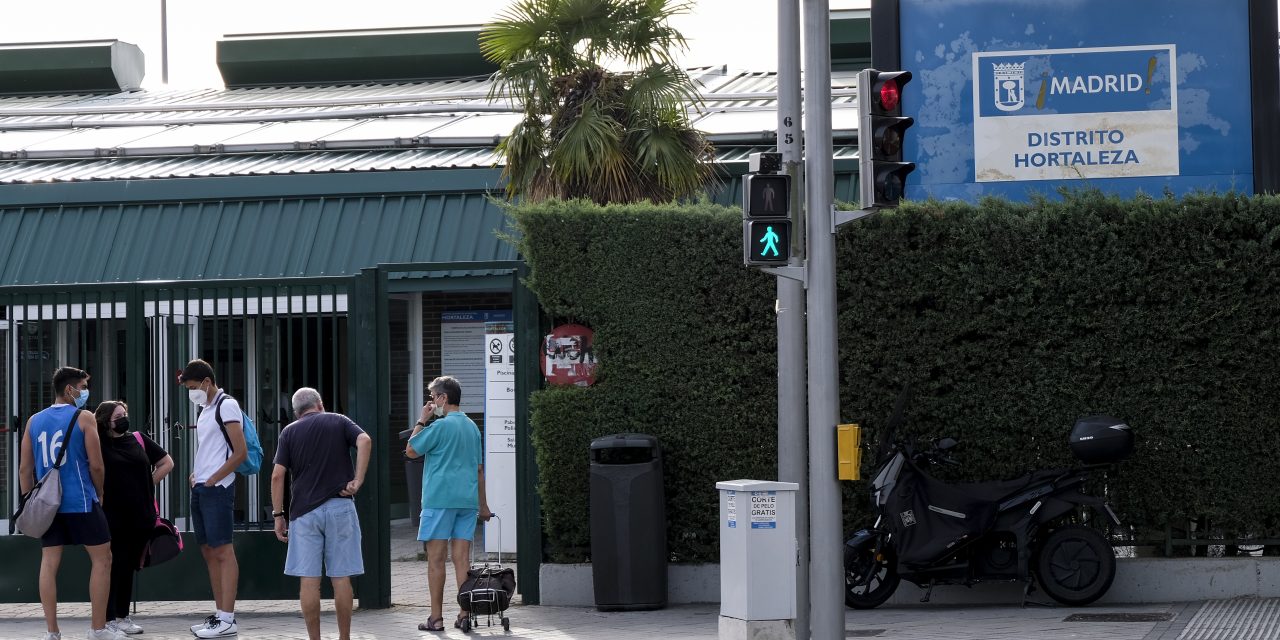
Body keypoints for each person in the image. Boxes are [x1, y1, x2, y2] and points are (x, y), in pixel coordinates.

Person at [18, 367, 125, 640]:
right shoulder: (84, 417)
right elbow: (97, 465)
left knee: (49, 563)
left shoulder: (33, 421)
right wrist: (99, 492)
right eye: (82, 387)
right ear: (69, 390)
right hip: (81, 501)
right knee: (102, 559)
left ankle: (52, 632)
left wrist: (32, 501)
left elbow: (24, 469)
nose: (84, 393)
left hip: (48, 506)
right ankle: (97, 629)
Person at [270, 387, 372, 640]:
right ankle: (344, 637)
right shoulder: (339, 421)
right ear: (320, 404)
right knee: (341, 578)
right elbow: (365, 440)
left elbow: (277, 475)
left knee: (309, 580)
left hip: (304, 514)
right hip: (340, 506)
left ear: (296, 412)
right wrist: (357, 480)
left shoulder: (289, 432)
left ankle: (314, 638)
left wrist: (278, 515)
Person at [404, 376, 492, 632]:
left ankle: (436, 618)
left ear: (443, 398)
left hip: (439, 499)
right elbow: (479, 470)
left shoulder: (440, 427)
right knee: (461, 559)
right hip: (466, 500)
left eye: (433, 397)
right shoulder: (472, 427)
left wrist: (422, 419)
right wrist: (483, 506)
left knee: (436, 559)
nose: (432, 402)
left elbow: (411, 450)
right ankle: (465, 613)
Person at [93, 400, 175, 636]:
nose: (123, 418)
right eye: (118, 415)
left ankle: (122, 616)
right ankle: (106, 618)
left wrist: (147, 484)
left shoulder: (138, 438)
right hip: (111, 515)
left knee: (128, 565)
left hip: (141, 515)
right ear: (106, 420)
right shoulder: (98, 443)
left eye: (125, 414)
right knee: (110, 565)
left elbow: (166, 462)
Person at [180, 359, 247, 639]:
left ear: (207, 382)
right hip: (203, 486)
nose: (192, 393)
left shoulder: (226, 405)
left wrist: (214, 478)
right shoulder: (205, 409)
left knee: (222, 550)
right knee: (208, 550)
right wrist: (198, 475)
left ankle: (228, 618)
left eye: (194, 387)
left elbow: (239, 452)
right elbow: (210, 447)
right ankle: (220, 616)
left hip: (217, 488)